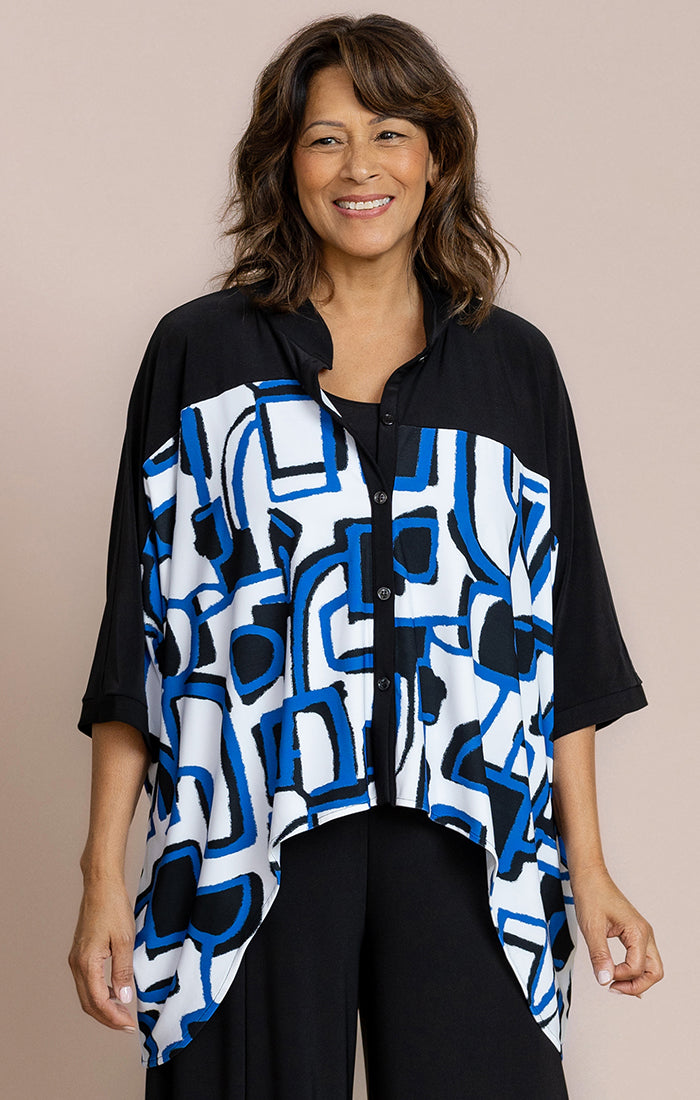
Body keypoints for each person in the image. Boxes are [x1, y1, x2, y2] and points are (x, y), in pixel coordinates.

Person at [69, 12, 664, 1099]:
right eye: (325, 138)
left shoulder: (511, 369)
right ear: (284, 163)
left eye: (390, 133)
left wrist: (591, 872)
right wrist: (101, 871)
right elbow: (140, 635)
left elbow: (561, 643)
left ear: (437, 159)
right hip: (247, 832)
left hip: (471, 839)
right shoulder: (201, 356)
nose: (360, 167)